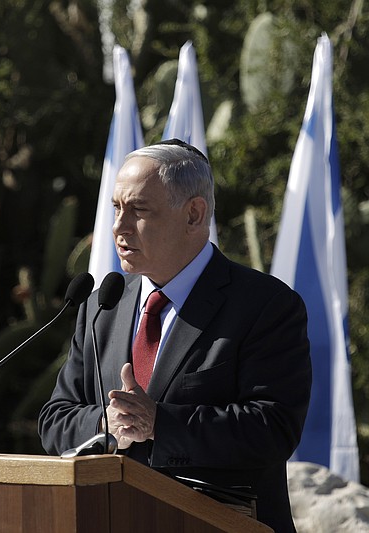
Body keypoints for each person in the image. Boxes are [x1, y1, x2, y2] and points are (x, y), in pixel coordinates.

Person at [38, 139, 312, 532]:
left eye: (139, 210)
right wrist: (106, 423)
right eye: (116, 208)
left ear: (194, 214)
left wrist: (159, 424)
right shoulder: (102, 305)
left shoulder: (265, 306)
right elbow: (55, 419)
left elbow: (272, 428)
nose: (119, 226)